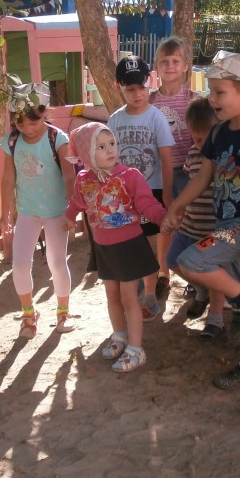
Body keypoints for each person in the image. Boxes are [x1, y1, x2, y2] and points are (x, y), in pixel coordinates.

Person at [161, 50, 240, 389]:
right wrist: (176, 206)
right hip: (225, 226)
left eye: (219, 92)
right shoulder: (219, 133)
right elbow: (203, 178)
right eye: (211, 91)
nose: (211, 99)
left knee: (191, 260)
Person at [63, 123, 166, 373]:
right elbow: (77, 202)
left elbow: (146, 203)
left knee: (129, 297)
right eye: (100, 147)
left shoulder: (130, 176)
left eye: (111, 144)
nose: (110, 150)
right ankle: (120, 336)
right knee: (112, 296)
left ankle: (136, 349)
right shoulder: (84, 179)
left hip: (129, 245)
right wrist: (69, 217)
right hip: (103, 247)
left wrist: (163, 218)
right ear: (87, 154)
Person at [0, 86, 76, 338]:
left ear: (45, 113)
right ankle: (28, 315)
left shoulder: (57, 138)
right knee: (20, 265)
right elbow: (8, 178)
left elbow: (69, 176)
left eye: (34, 122)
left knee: (57, 262)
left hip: (56, 211)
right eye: (20, 124)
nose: (28, 129)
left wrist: (71, 211)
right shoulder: (12, 141)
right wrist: (5, 213)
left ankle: (63, 312)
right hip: (28, 212)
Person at [108, 56, 175, 321]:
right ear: (119, 87)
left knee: (148, 242)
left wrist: (166, 193)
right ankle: (136, 285)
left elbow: (166, 158)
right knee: (129, 241)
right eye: (130, 89)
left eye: (142, 87)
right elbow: (110, 158)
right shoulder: (115, 120)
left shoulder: (156, 117)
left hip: (151, 191)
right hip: (124, 195)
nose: (137, 94)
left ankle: (149, 294)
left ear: (150, 82)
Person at [163, 97, 226, 338]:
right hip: (190, 226)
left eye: (204, 139)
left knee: (214, 272)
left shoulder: (224, 158)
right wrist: (179, 210)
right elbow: (190, 184)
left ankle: (216, 319)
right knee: (172, 260)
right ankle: (201, 290)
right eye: (195, 139)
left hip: (212, 229)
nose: (199, 145)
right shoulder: (192, 154)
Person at [149, 35, 200, 299]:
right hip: (159, 173)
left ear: (185, 66)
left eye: (175, 61)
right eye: (164, 61)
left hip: (188, 172)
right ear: (156, 66)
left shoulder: (194, 100)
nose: (170, 66)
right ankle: (163, 273)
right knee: (164, 224)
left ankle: (194, 272)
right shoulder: (149, 102)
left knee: (191, 223)